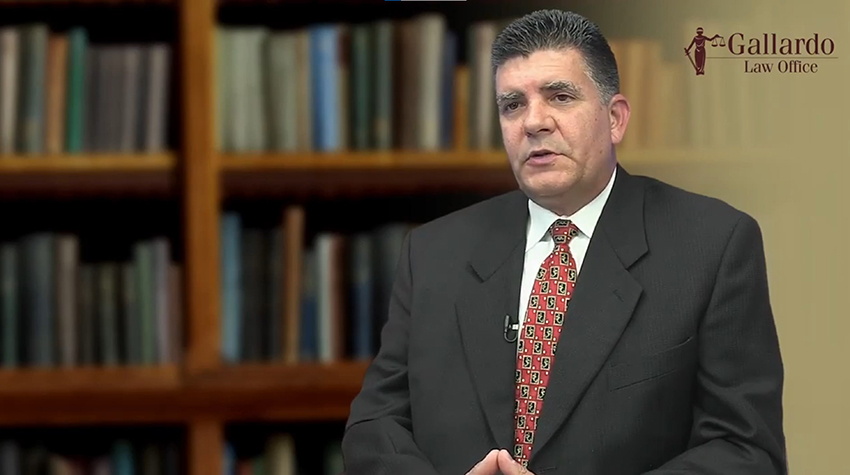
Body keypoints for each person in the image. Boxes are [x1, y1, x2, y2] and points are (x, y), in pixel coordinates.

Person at [341, 9, 786, 475]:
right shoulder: (433, 253)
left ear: (615, 119)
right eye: (512, 105)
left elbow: (746, 451)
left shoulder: (712, 245)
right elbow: (375, 427)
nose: (533, 122)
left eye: (560, 96)